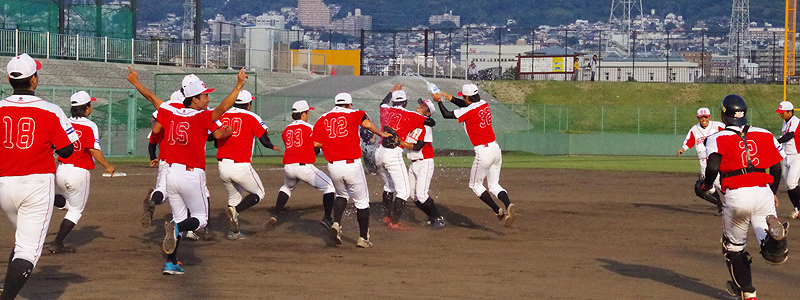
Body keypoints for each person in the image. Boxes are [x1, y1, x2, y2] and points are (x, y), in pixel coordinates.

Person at [128, 66, 245, 275]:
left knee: (179, 218)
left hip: (171, 174)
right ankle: (174, 230)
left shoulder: (171, 112)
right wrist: (238, 85)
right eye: (205, 96)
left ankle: (170, 263)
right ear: (194, 99)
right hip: (191, 175)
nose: (208, 99)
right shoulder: (200, 117)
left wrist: (135, 82)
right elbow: (224, 107)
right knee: (200, 219)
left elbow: (151, 97)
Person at [0, 53, 78, 298]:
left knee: (22, 240)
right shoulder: (50, 109)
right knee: (28, 251)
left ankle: (6, 285)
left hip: (4, 185)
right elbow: (67, 149)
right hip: (36, 184)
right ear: (33, 79)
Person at [697, 94, 789, 300]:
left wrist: (706, 185)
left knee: (733, 248)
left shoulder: (717, 137)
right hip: (763, 191)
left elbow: (712, 166)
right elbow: (775, 167)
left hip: (737, 194)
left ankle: (748, 293)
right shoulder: (764, 133)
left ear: (724, 115)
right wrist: (773, 192)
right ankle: (775, 242)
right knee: (766, 243)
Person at [312, 92, 390, 248]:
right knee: (362, 202)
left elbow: (315, 144)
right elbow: (367, 124)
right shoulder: (355, 113)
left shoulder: (323, 118)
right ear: (349, 104)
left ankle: (336, 223)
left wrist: (332, 143)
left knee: (342, 194)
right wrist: (381, 133)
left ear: (335, 104)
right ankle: (363, 238)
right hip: (351, 164)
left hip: (333, 166)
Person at [433, 83, 516, 227]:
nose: (463, 99)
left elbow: (447, 115)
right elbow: (466, 105)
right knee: (494, 184)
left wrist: (439, 101)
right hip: (495, 149)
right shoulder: (483, 104)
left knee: (475, 185)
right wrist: (450, 98)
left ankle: (498, 210)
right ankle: (508, 205)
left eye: (464, 97)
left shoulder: (469, 110)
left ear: (467, 97)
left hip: (483, 152)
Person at [49, 91, 115, 254]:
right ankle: (57, 244)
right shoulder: (90, 126)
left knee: (66, 201)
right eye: (90, 104)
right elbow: (92, 149)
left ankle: (48, 199)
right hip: (78, 172)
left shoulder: (64, 122)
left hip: (62, 170)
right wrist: (106, 165)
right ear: (86, 108)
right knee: (75, 211)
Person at [215, 89, 279, 240]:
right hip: (240, 165)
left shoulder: (223, 115)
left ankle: (233, 232)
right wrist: (271, 146)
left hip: (222, 165)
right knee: (259, 193)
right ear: (248, 104)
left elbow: (213, 136)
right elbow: (264, 139)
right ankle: (235, 211)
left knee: (234, 198)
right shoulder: (252, 116)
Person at [376, 85, 434, 230]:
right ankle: (394, 222)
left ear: (393, 101)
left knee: (389, 186)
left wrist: (391, 92)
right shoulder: (410, 115)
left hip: (379, 152)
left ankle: (387, 216)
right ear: (405, 102)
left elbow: (382, 103)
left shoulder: (386, 110)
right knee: (404, 191)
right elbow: (431, 122)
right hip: (393, 154)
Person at [269, 100, 336, 227]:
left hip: (289, 167)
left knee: (287, 187)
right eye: (307, 112)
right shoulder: (310, 128)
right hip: (304, 168)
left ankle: (275, 214)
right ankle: (327, 218)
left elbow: (296, 148)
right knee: (330, 187)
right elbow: (315, 148)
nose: (308, 114)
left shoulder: (286, 130)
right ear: (303, 114)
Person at [401, 98, 446, 229]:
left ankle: (438, 218)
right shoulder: (415, 123)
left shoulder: (426, 126)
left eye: (423, 106)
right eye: (420, 104)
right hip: (413, 163)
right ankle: (432, 217)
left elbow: (417, 146)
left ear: (428, 113)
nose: (419, 106)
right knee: (412, 195)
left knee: (421, 195)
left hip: (424, 162)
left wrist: (400, 142)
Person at [677, 107, 725, 213]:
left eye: (706, 117)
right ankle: (720, 206)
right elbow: (689, 141)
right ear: (698, 118)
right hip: (703, 161)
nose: (704, 120)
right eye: (701, 118)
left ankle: (733, 205)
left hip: (716, 159)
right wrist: (683, 149)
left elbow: (729, 132)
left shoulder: (717, 126)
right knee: (708, 186)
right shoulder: (694, 129)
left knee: (720, 183)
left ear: (709, 117)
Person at [775, 101, 800, 219]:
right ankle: (797, 208)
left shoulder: (795, 121)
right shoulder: (785, 123)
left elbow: (790, 135)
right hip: (786, 156)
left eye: (783, 112)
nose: (781, 115)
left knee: (792, 183)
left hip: (796, 156)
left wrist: (776, 141)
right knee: (788, 186)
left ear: (790, 111)